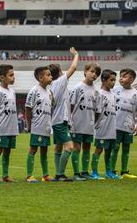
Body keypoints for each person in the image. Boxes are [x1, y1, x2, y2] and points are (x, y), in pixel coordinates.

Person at [48, 47, 79, 182]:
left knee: (58, 146)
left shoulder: (53, 85)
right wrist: (76, 54)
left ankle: (58, 173)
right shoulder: (60, 82)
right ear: (59, 72)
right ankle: (60, 174)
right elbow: (73, 68)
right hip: (60, 120)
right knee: (69, 146)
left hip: (57, 119)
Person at [70, 62, 101, 181]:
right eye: (92, 71)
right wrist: (70, 120)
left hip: (89, 124)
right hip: (77, 123)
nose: (94, 75)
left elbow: (97, 110)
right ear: (85, 72)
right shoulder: (78, 87)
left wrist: (94, 122)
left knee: (87, 148)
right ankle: (76, 173)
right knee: (77, 148)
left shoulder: (96, 91)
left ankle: (85, 171)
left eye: (96, 73)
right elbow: (71, 105)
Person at [111, 69, 137, 179]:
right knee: (115, 148)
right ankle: (111, 170)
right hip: (115, 125)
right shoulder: (114, 90)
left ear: (131, 79)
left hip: (128, 126)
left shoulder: (136, 94)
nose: (121, 78)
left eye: (124, 76)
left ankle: (124, 171)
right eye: (120, 76)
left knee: (126, 148)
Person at [0, 64, 19, 183]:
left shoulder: (12, 91)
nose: (13, 77)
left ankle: (5, 175)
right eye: (11, 75)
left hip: (12, 127)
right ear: (2, 77)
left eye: (13, 75)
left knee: (8, 151)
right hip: (2, 126)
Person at [25, 66, 54, 182]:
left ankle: (45, 175)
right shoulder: (34, 91)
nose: (51, 77)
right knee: (33, 149)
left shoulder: (49, 92)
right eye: (48, 75)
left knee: (44, 150)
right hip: (37, 125)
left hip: (46, 127)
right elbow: (28, 108)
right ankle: (29, 175)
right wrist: (29, 124)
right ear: (41, 77)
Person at [91, 69, 121, 180]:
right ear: (103, 80)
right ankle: (94, 172)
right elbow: (96, 111)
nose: (113, 82)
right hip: (102, 126)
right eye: (111, 80)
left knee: (109, 149)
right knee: (99, 149)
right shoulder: (99, 93)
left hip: (112, 127)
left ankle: (109, 172)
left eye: (114, 80)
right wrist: (96, 124)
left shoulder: (112, 94)